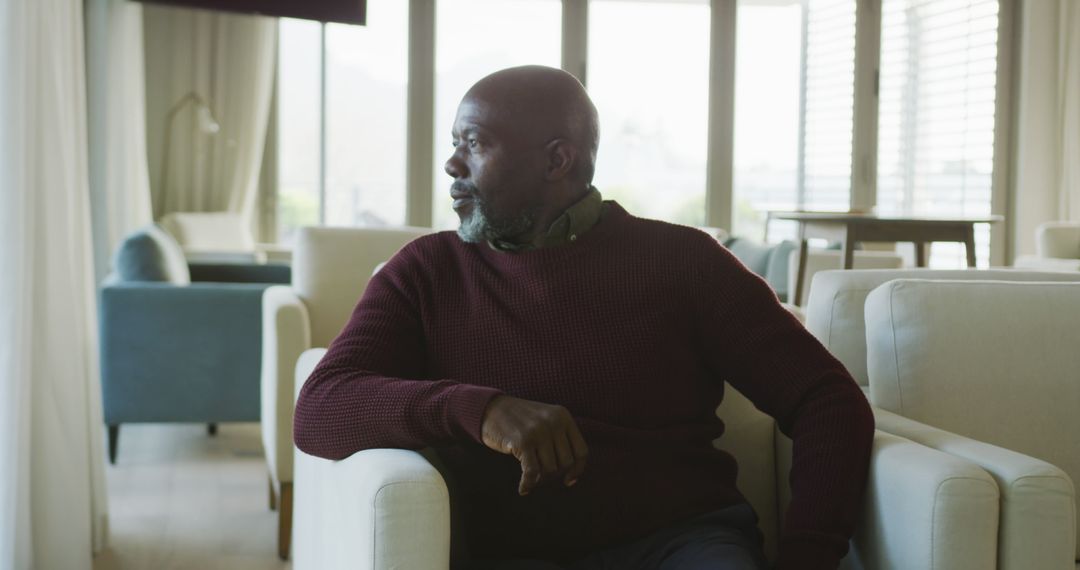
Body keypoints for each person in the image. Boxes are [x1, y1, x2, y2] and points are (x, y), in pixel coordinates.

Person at [293, 65, 874, 570]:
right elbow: (321, 408)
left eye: (473, 143)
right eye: (455, 144)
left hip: (683, 544)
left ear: (557, 160)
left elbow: (826, 399)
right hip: (507, 555)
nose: (451, 165)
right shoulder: (425, 271)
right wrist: (481, 409)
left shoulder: (684, 262)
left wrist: (808, 559)